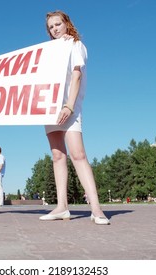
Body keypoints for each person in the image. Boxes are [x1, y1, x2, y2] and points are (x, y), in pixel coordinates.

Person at [38, 10, 110, 225]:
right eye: (51, 27)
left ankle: (96, 209)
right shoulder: (50, 50)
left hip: (69, 107)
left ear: (67, 23)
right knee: (58, 156)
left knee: (78, 155)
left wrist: (69, 105)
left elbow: (76, 74)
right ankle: (62, 207)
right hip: (50, 107)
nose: (54, 29)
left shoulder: (75, 45)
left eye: (58, 24)